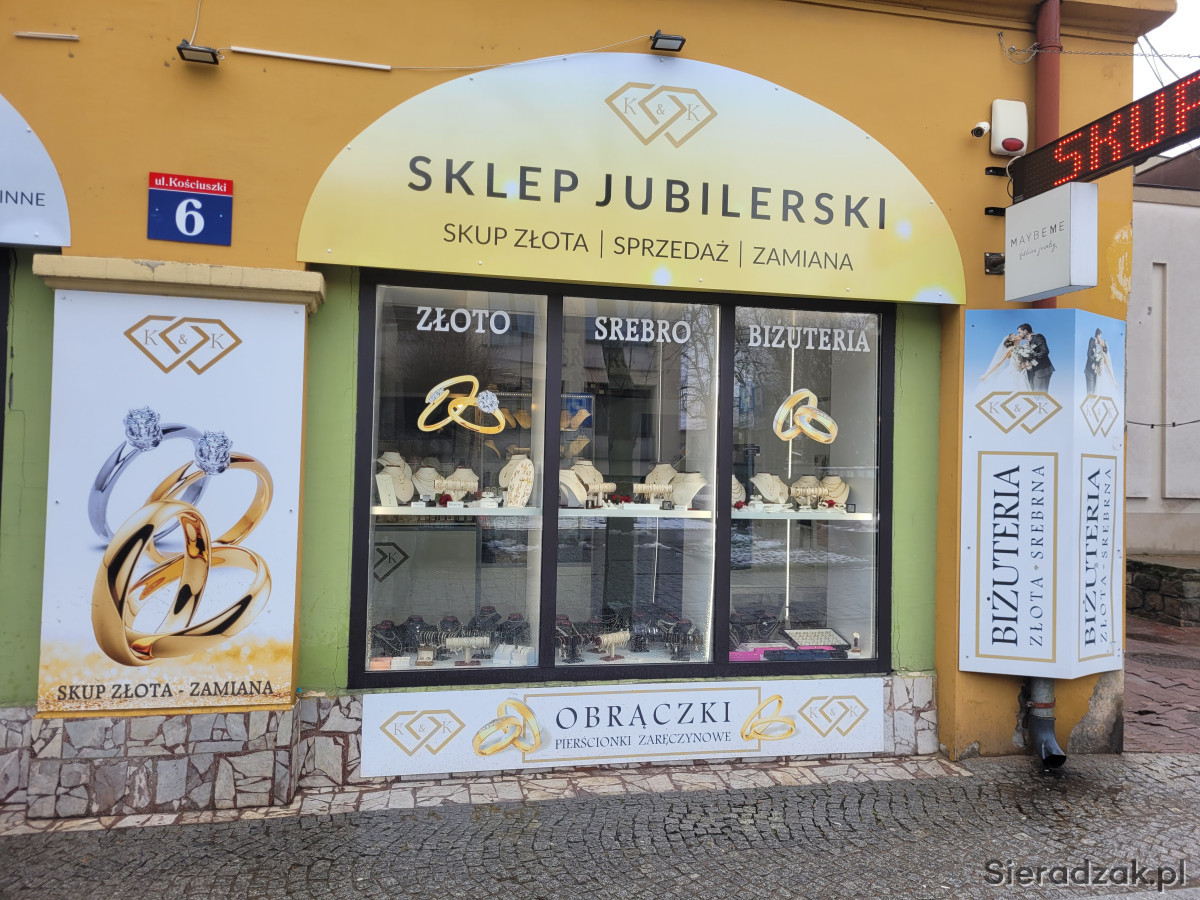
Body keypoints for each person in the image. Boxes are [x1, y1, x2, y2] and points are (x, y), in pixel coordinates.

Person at [1016, 323, 1054, 392]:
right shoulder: (1027, 342)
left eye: (1019, 332)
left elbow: (1045, 351)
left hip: (1041, 371)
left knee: (1040, 394)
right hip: (1032, 372)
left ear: (1025, 331)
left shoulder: (1038, 337)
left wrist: (1032, 361)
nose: (1018, 334)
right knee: (1034, 394)